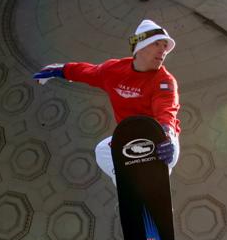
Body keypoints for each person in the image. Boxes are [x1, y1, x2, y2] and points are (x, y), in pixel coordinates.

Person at [32, 19, 181, 185]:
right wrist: (59, 70)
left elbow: (166, 109)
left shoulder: (165, 81)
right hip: (132, 140)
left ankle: (157, 187)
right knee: (103, 150)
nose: (163, 51)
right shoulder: (113, 71)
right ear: (140, 46)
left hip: (162, 140)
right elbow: (86, 72)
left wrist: (166, 134)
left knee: (159, 153)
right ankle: (128, 189)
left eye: (165, 47)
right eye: (157, 44)